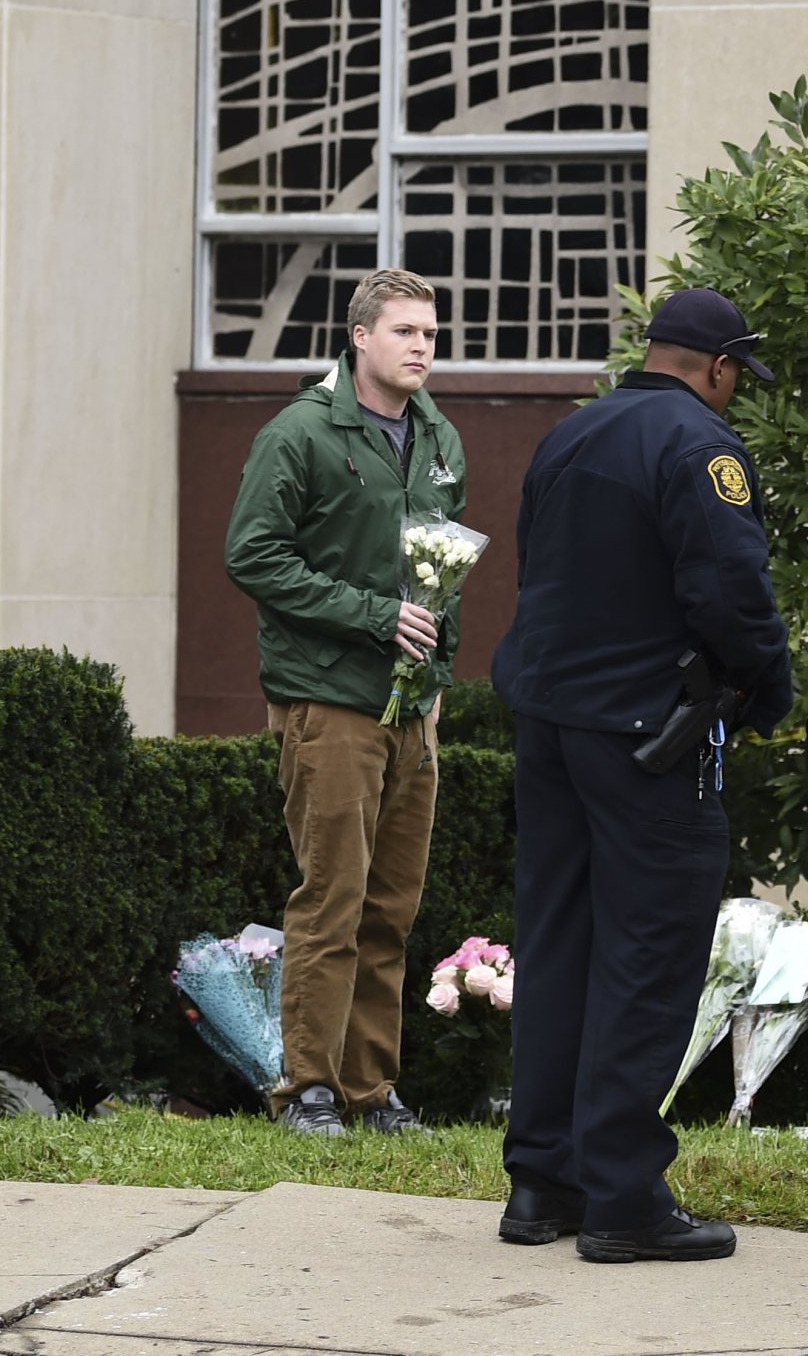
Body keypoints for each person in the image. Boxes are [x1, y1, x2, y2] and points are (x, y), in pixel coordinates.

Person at [492, 287, 794, 1263]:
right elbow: (730, 589)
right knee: (647, 953)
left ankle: (543, 1180)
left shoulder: (569, 435)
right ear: (716, 367)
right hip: (648, 740)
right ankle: (622, 1196)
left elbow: (536, 568)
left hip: (550, 725)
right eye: (737, 376)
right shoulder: (699, 446)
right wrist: (767, 692)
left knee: (556, 941)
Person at [223, 267, 467, 1139]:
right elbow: (252, 555)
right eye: (405, 332)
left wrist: (438, 661)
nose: (422, 347)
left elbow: (446, 571)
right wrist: (371, 616)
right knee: (333, 898)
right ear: (359, 337)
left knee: (392, 908)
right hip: (328, 704)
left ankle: (371, 1091)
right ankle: (308, 1090)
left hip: (414, 713)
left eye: (430, 334)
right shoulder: (300, 434)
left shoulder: (440, 440)